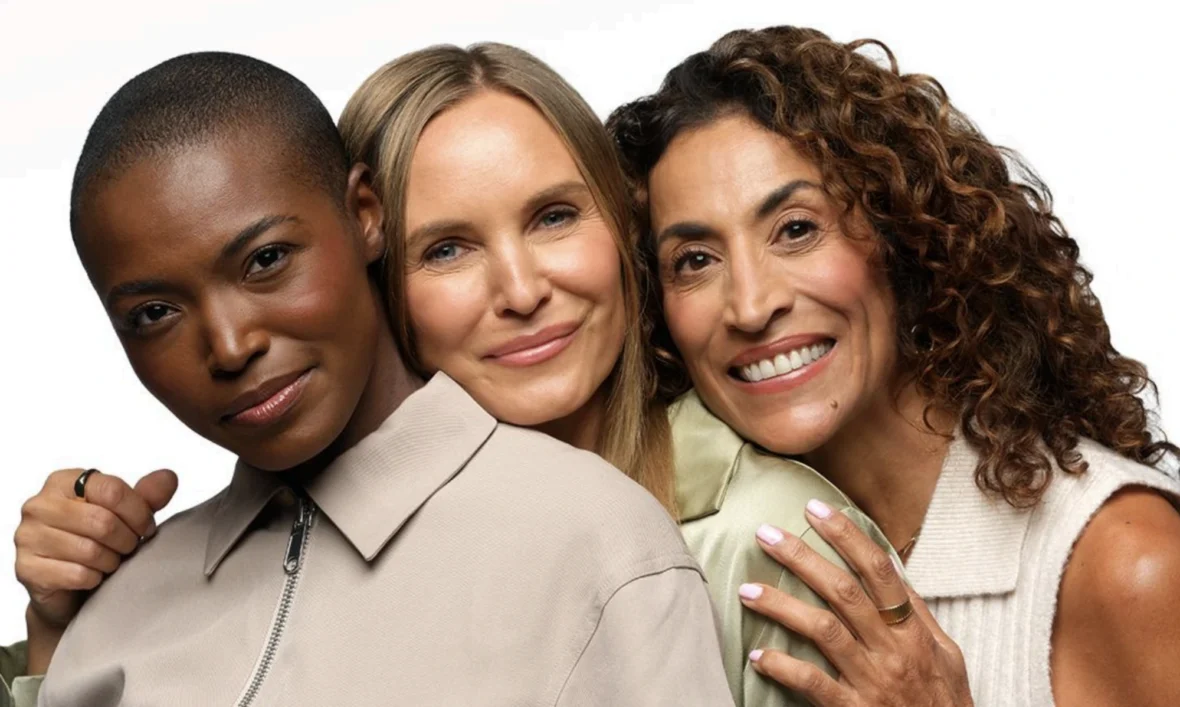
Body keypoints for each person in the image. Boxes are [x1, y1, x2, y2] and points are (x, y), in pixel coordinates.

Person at [6, 43, 900, 707]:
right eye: (446, 248)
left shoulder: (756, 538)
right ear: (376, 248)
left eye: (553, 216)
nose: (520, 291)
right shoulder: (172, 575)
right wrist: (61, 631)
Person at [608, 24, 1180, 707]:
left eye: (796, 228)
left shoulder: (1126, 562)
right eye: (695, 260)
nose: (752, 305)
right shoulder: (708, 564)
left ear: (903, 235)